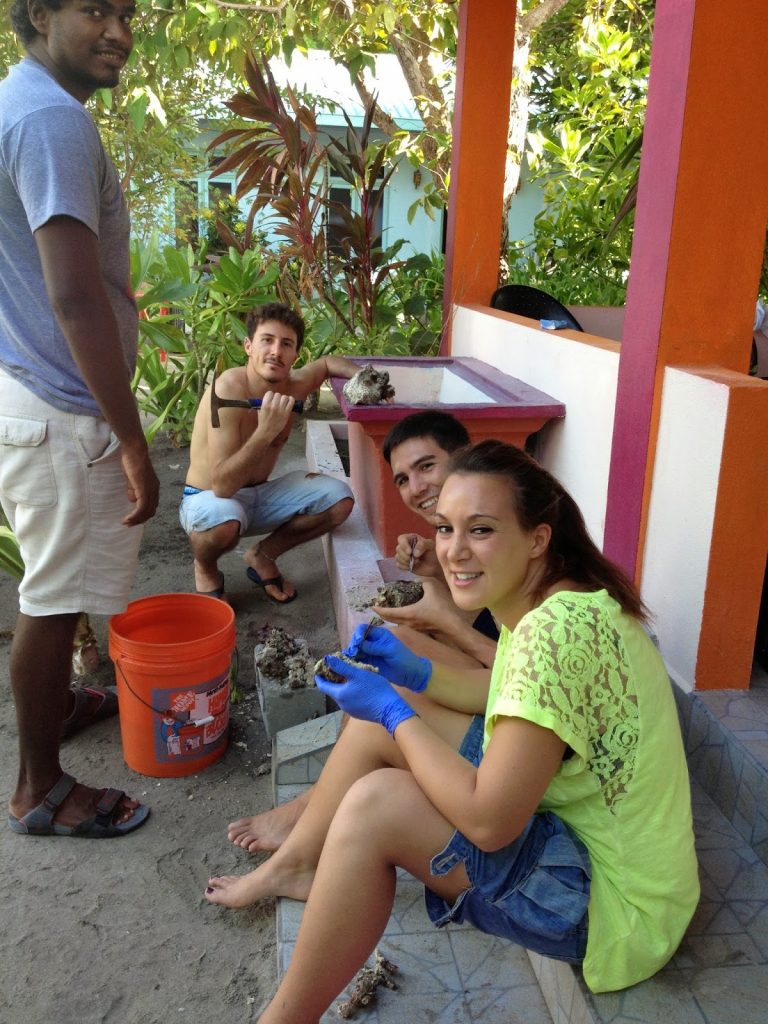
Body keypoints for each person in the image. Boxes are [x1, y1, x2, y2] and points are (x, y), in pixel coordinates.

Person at [206, 440, 700, 1011]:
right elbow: (502, 694)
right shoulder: (562, 603)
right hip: (616, 856)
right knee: (383, 724)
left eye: (481, 530)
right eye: (445, 528)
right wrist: (410, 673)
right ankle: (297, 863)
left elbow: (489, 824)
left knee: (377, 803)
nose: (455, 552)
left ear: (538, 537)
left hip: (615, 908)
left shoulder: (554, 635)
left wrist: (396, 713)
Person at [0, 0, 159, 837]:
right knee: (52, 599)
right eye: (97, 10)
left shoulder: (16, 104)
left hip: (35, 388)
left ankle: (55, 710)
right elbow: (73, 293)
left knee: (53, 587)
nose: (121, 33)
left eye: (128, 14)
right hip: (61, 406)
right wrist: (132, 440)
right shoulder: (51, 121)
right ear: (37, 13)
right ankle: (39, 790)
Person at [226, 410, 499, 853]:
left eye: (427, 466)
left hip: (522, 746)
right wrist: (434, 575)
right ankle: (325, 795)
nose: (417, 487)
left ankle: (310, 817)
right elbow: (473, 630)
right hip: (496, 691)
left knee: (388, 704)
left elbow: (525, 675)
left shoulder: (505, 538)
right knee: (386, 653)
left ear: (465, 458)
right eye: (404, 479)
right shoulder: (462, 533)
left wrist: (441, 617)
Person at [180, 303, 359, 602]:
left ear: (295, 355)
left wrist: (367, 377)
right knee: (225, 521)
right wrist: (266, 432)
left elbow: (327, 363)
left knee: (339, 500)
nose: (276, 351)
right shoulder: (228, 389)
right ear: (249, 346)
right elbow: (223, 486)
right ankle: (206, 567)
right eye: (267, 340)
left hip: (257, 495)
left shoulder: (296, 385)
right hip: (208, 500)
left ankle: (262, 556)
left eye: (286, 344)